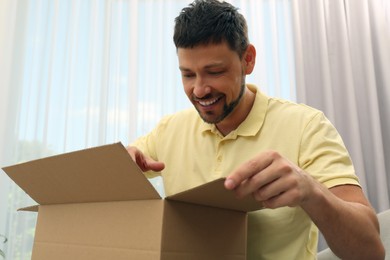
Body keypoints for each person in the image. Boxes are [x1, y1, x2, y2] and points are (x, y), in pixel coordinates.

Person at [127, 0, 385, 259]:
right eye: (188, 75)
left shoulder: (307, 127)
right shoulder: (168, 130)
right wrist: (121, 163)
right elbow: (126, 165)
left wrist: (312, 192)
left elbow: (371, 250)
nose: (199, 90)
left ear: (247, 60)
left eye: (214, 71)